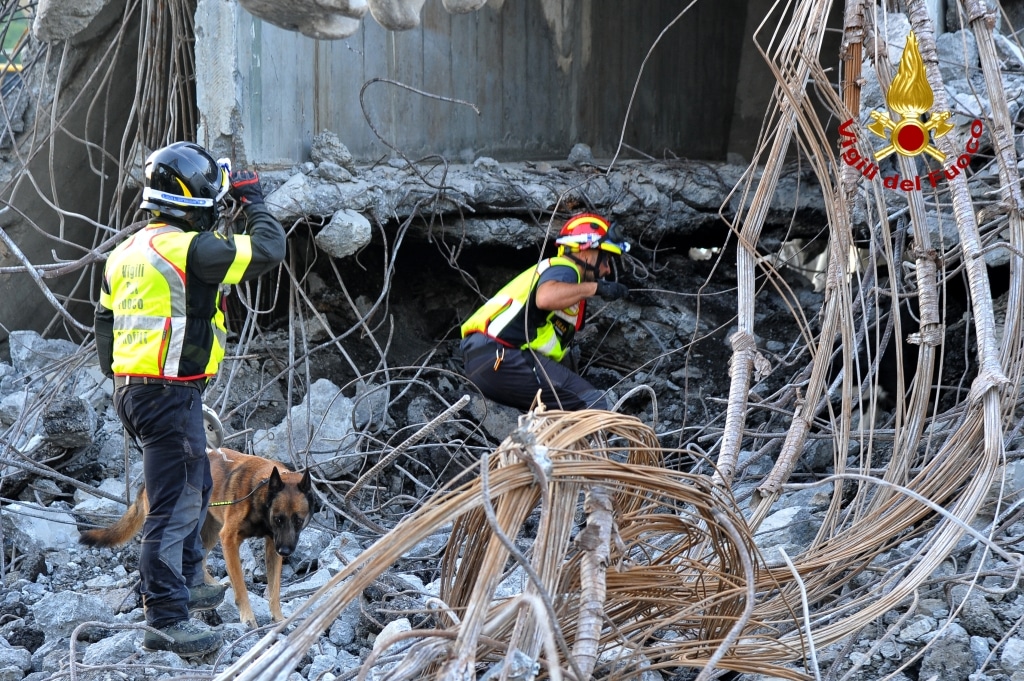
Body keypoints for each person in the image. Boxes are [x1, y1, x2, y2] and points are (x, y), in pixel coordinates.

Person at [93, 141, 286, 656]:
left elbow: (104, 324)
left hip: (137, 391)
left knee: (198, 483)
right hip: (166, 393)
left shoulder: (126, 252)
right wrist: (255, 201)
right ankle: (165, 614)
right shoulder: (188, 250)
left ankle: (185, 581)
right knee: (176, 505)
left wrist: (127, 383)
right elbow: (267, 250)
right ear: (197, 199)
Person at [460, 212, 630, 412]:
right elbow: (545, 298)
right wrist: (596, 288)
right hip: (504, 356)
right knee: (593, 402)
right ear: (586, 252)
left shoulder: (558, 279)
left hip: (484, 361)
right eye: (605, 259)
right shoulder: (565, 268)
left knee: (553, 411)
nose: (607, 270)